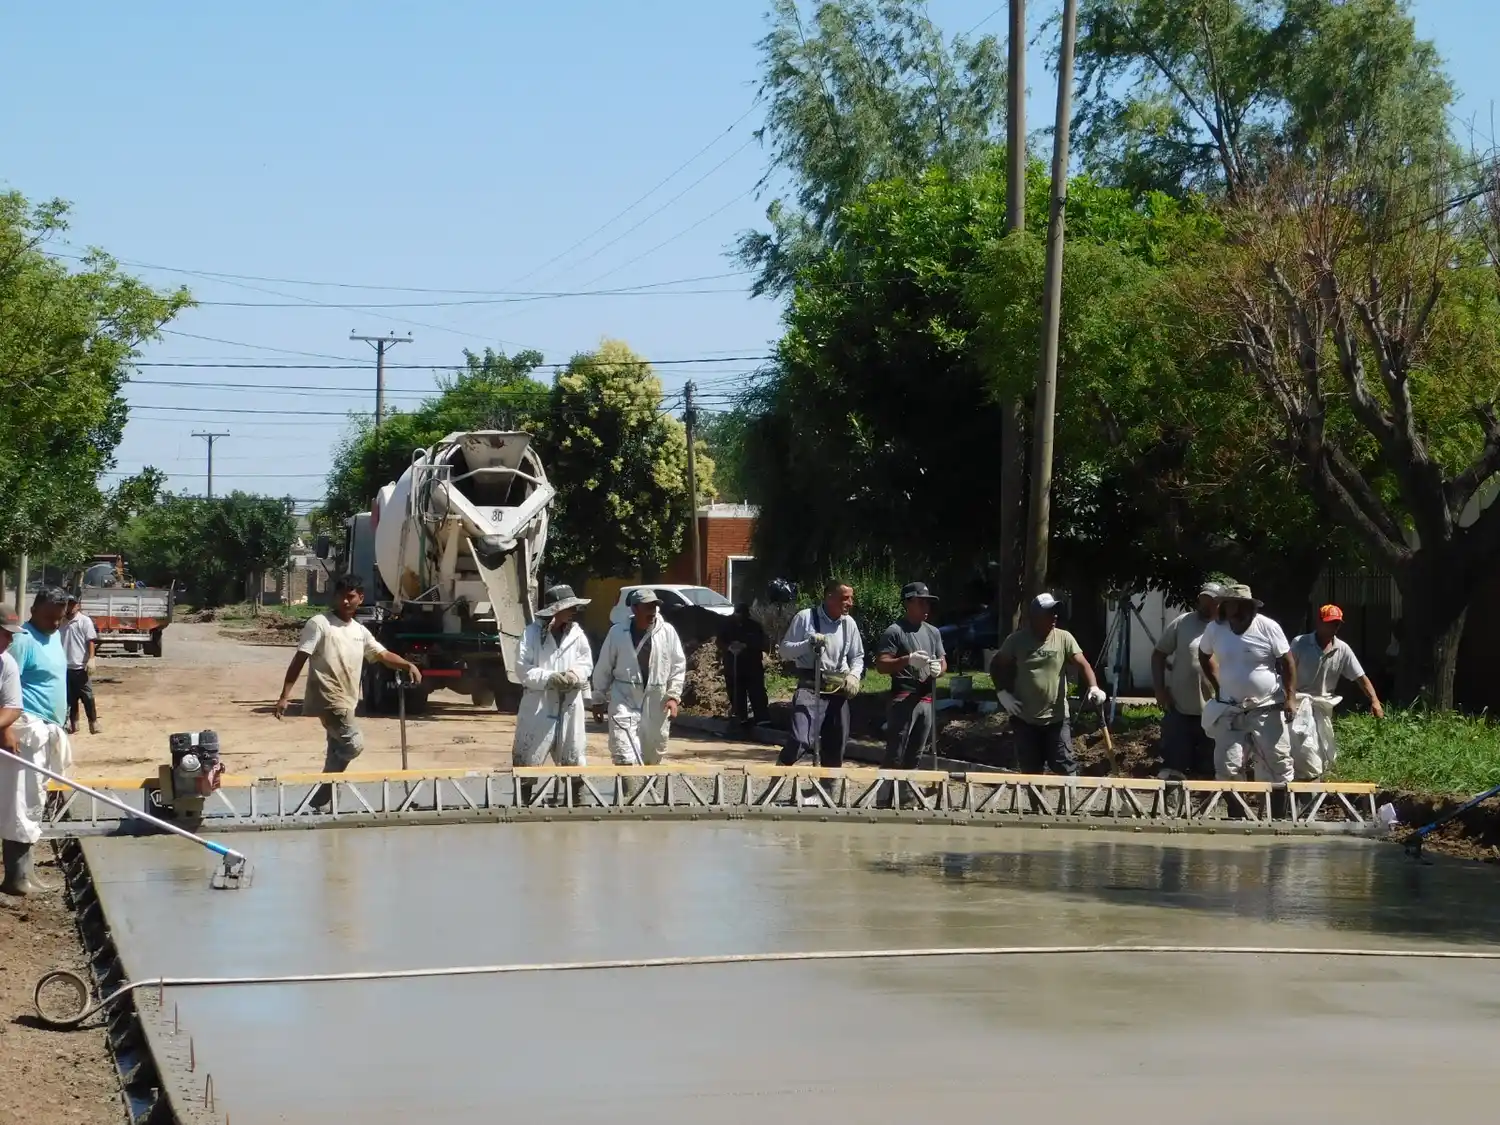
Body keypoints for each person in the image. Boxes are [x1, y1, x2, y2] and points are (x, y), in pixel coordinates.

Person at [274, 574, 422, 808]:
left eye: (350, 597)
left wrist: (407, 664)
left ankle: (326, 803)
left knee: (336, 750)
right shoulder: (319, 624)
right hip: (328, 696)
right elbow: (300, 658)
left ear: (360, 598)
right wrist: (285, 696)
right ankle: (323, 792)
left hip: (348, 698)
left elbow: (381, 655)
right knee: (353, 744)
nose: (345, 601)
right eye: (340, 596)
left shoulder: (359, 631)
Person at [2, 590, 73, 896]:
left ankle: (25, 873)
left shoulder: (54, 635)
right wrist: (5, 731)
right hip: (23, 730)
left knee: (34, 800)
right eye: (49, 617)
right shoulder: (21, 641)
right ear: (34, 610)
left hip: (45, 728)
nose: (55, 623)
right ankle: (17, 878)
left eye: (60, 617)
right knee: (21, 801)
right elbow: (7, 692)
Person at [993, 593, 1105, 775]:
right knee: (1031, 772)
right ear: (1034, 617)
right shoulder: (1016, 641)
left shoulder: (1064, 638)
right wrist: (1002, 693)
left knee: (1065, 766)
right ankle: (1038, 804)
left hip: (1057, 718)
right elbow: (996, 666)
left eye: (1055, 612)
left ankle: (1068, 803)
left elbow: (1083, 664)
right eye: (1049, 613)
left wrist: (1093, 686)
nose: (1054, 617)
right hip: (1025, 720)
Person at [1197, 583, 1297, 785]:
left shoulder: (1267, 627)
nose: (1238, 610)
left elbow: (1287, 662)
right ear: (1225, 607)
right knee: (1227, 768)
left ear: (1251, 607)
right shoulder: (1215, 629)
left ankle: (1277, 816)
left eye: (1243, 605)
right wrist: (1218, 687)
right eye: (1233, 605)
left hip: (1266, 707)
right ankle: (1238, 815)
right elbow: (1204, 654)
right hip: (1230, 709)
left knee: (1277, 764)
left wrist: (1290, 698)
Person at [591, 588, 687, 768]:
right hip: (624, 697)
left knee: (653, 754)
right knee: (623, 752)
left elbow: (678, 666)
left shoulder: (667, 632)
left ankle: (647, 792)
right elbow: (604, 666)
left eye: (654, 606)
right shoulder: (618, 633)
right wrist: (598, 698)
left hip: (656, 699)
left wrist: (673, 697)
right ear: (635, 609)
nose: (652, 612)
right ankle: (627, 794)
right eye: (647, 607)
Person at [1287, 604, 1384, 779]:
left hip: (1323, 706)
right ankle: (1302, 796)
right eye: (1330, 623)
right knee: (1303, 751)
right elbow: (1287, 671)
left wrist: (1375, 701)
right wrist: (1289, 699)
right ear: (1319, 623)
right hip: (1299, 704)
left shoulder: (1342, 648)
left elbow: (1360, 677)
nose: (1333, 627)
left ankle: (1312, 798)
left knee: (1323, 752)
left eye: (1336, 624)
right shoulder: (1300, 643)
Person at [777, 580, 865, 768]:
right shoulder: (805, 618)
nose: (850, 603)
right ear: (829, 597)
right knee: (800, 739)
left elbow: (857, 656)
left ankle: (824, 793)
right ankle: (778, 776)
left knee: (836, 745)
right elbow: (784, 651)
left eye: (851, 599)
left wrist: (854, 675)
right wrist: (807, 644)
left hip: (837, 688)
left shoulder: (849, 624)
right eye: (845, 599)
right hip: (810, 686)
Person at [513, 585, 595, 771]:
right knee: (528, 759)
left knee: (574, 759)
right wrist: (550, 678)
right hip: (539, 705)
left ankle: (576, 798)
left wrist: (574, 675)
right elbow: (522, 668)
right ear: (556, 610)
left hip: (570, 705)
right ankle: (526, 799)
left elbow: (586, 662)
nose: (573, 611)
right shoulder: (531, 634)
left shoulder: (577, 633)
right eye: (569, 607)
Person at [1151, 584, 1222, 779]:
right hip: (1180, 709)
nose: (1207, 604)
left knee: (1209, 768)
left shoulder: (1227, 628)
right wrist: (1159, 689)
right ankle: (1172, 807)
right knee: (1174, 765)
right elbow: (1158, 655)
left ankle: (1206, 807)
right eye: (1204, 599)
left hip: (1214, 711)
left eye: (1212, 601)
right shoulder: (1183, 622)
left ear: (1221, 603)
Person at [875, 582, 946, 773]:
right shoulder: (895, 631)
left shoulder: (933, 632)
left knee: (916, 755)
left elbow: (942, 661)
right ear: (908, 603)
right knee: (895, 754)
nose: (926, 607)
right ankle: (884, 799)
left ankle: (906, 798)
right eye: (921, 602)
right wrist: (907, 660)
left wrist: (938, 669)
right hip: (903, 697)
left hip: (926, 697)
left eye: (928, 603)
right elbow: (881, 665)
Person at [718, 603, 769, 728]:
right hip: (733, 667)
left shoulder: (754, 627)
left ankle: (762, 719)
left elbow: (761, 642)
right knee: (736, 693)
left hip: (752, 667)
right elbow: (719, 641)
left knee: (757, 693)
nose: (740, 616)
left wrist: (746, 645)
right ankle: (741, 718)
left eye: (742, 613)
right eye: (738, 613)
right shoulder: (727, 626)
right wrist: (729, 647)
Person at [60, 596, 100, 735]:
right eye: (68, 605)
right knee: (69, 698)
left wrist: (91, 659)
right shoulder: (61, 621)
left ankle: (93, 722)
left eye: (73, 604)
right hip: (65, 666)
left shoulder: (84, 621)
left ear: (78, 606)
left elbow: (90, 641)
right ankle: (73, 723)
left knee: (87, 696)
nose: (70, 607)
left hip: (80, 666)